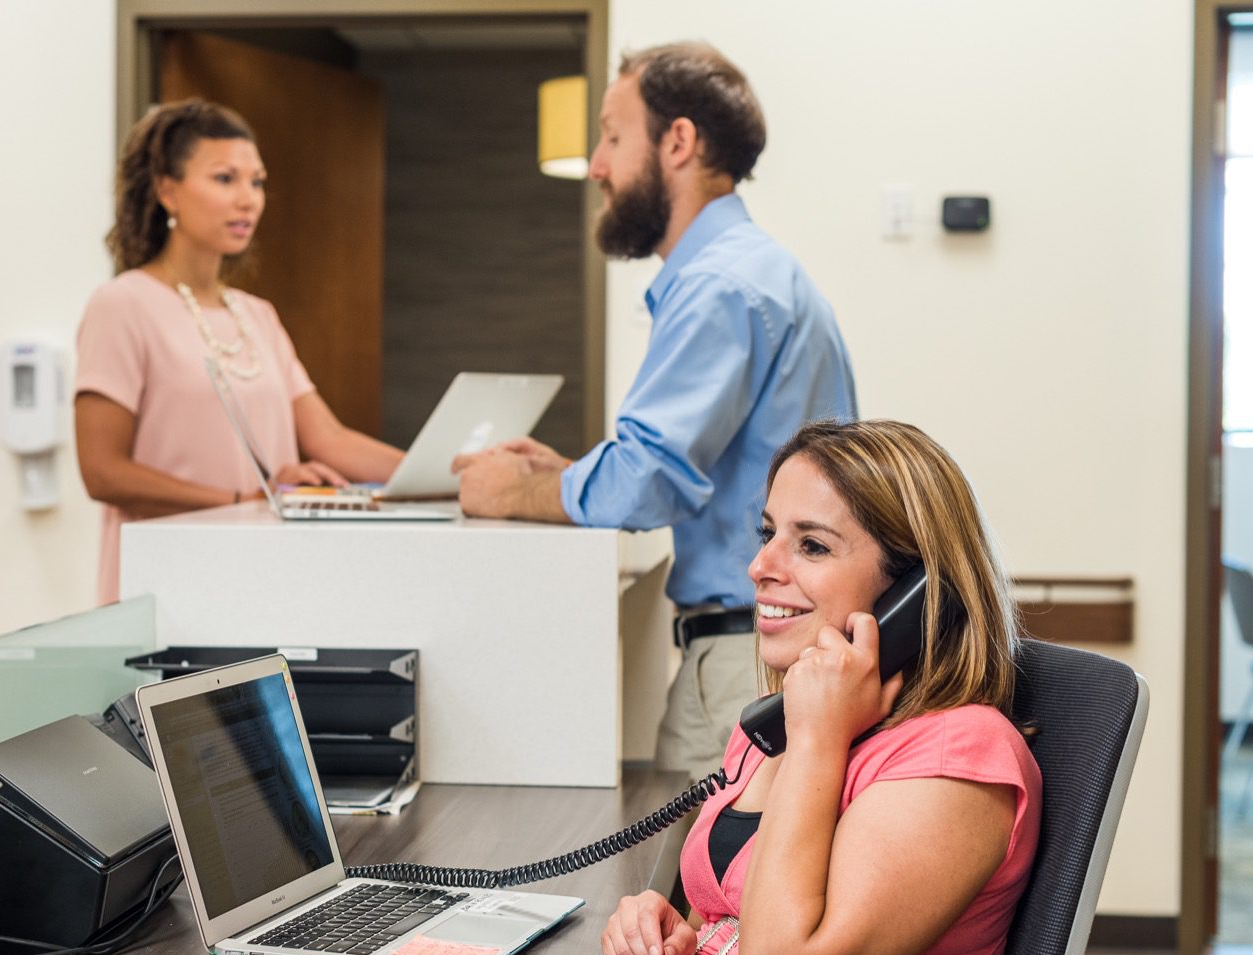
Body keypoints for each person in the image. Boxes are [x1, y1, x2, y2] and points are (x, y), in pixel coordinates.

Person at [454, 43, 857, 776]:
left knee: (697, 882)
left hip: (746, 657)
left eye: (611, 135)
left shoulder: (720, 284)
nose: (598, 165)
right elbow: (706, 467)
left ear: (678, 141)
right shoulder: (755, 271)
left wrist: (511, 492)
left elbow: (648, 480)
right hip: (770, 649)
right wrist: (574, 475)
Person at [600, 419, 1042, 955]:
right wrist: (670, 934)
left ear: (914, 594)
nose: (760, 567)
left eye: (810, 546)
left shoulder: (955, 760)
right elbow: (732, 925)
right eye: (767, 533)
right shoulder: (782, 727)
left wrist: (817, 739)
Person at [74, 99, 403, 602]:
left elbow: (330, 439)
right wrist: (240, 502)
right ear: (168, 191)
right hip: (162, 582)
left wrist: (449, 472)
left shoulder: (258, 315)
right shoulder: (121, 304)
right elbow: (103, 472)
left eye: (257, 182)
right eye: (225, 179)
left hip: (260, 576)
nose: (248, 199)